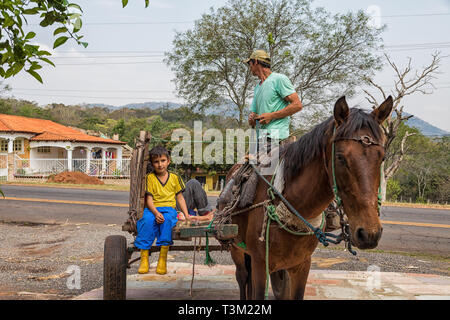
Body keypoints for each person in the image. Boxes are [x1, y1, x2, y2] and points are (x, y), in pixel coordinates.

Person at [134, 145, 190, 275]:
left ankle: (162, 259)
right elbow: (149, 200)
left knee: (166, 223)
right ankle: (144, 259)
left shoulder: (175, 177)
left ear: (168, 161)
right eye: (156, 162)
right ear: (152, 164)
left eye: (163, 161)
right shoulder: (149, 178)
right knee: (146, 221)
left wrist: (187, 215)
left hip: (169, 209)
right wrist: (155, 212)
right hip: (152, 208)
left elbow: (180, 198)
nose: (160, 164)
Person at [244, 49, 302, 152]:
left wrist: (271, 116)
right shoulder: (257, 87)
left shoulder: (279, 79)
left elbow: (297, 105)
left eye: (250, 64)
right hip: (261, 138)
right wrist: (252, 119)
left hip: (276, 137)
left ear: (256, 61)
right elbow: (254, 117)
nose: (250, 67)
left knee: (264, 166)